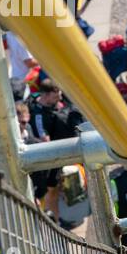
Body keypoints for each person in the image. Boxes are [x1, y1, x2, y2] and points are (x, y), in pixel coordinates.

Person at [25, 73, 85, 222]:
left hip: (65, 152)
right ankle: (54, 221)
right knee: (51, 191)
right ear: (45, 95)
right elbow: (44, 140)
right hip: (51, 160)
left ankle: (58, 216)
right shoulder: (39, 115)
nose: (60, 96)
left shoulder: (56, 102)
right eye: (56, 93)